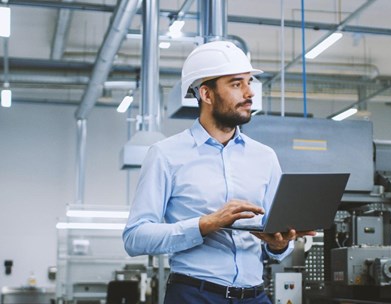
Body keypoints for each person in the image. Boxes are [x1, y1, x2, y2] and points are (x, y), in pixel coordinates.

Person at [122, 40, 315, 304]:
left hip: (254, 295)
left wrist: (279, 244)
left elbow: (276, 239)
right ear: (206, 94)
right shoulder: (166, 154)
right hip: (194, 294)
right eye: (237, 84)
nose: (249, 93)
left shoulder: (265, 157)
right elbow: (135, 237)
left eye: (249, 82)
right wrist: (205, 224)